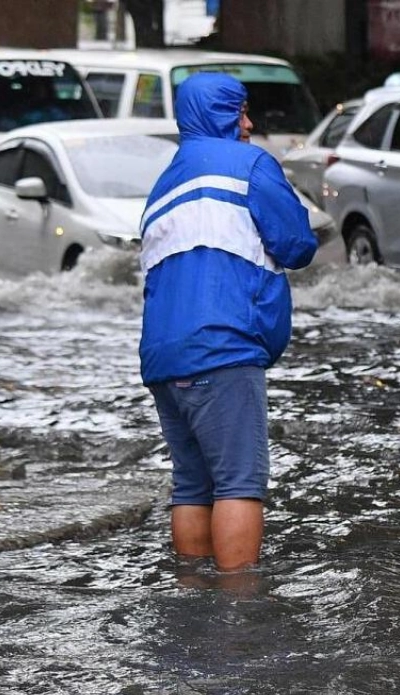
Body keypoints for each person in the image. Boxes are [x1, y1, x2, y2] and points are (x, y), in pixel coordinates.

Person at [139, 72, 317, 574]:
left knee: (192, 484)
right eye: (239, 111)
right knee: (240, 482)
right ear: (220, 114)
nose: (248, 123)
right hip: (223, 348)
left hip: (162, 359)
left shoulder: (163, 183)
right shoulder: (249, 165)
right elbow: (297, 245)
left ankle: (192, 595)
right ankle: (239, 609)